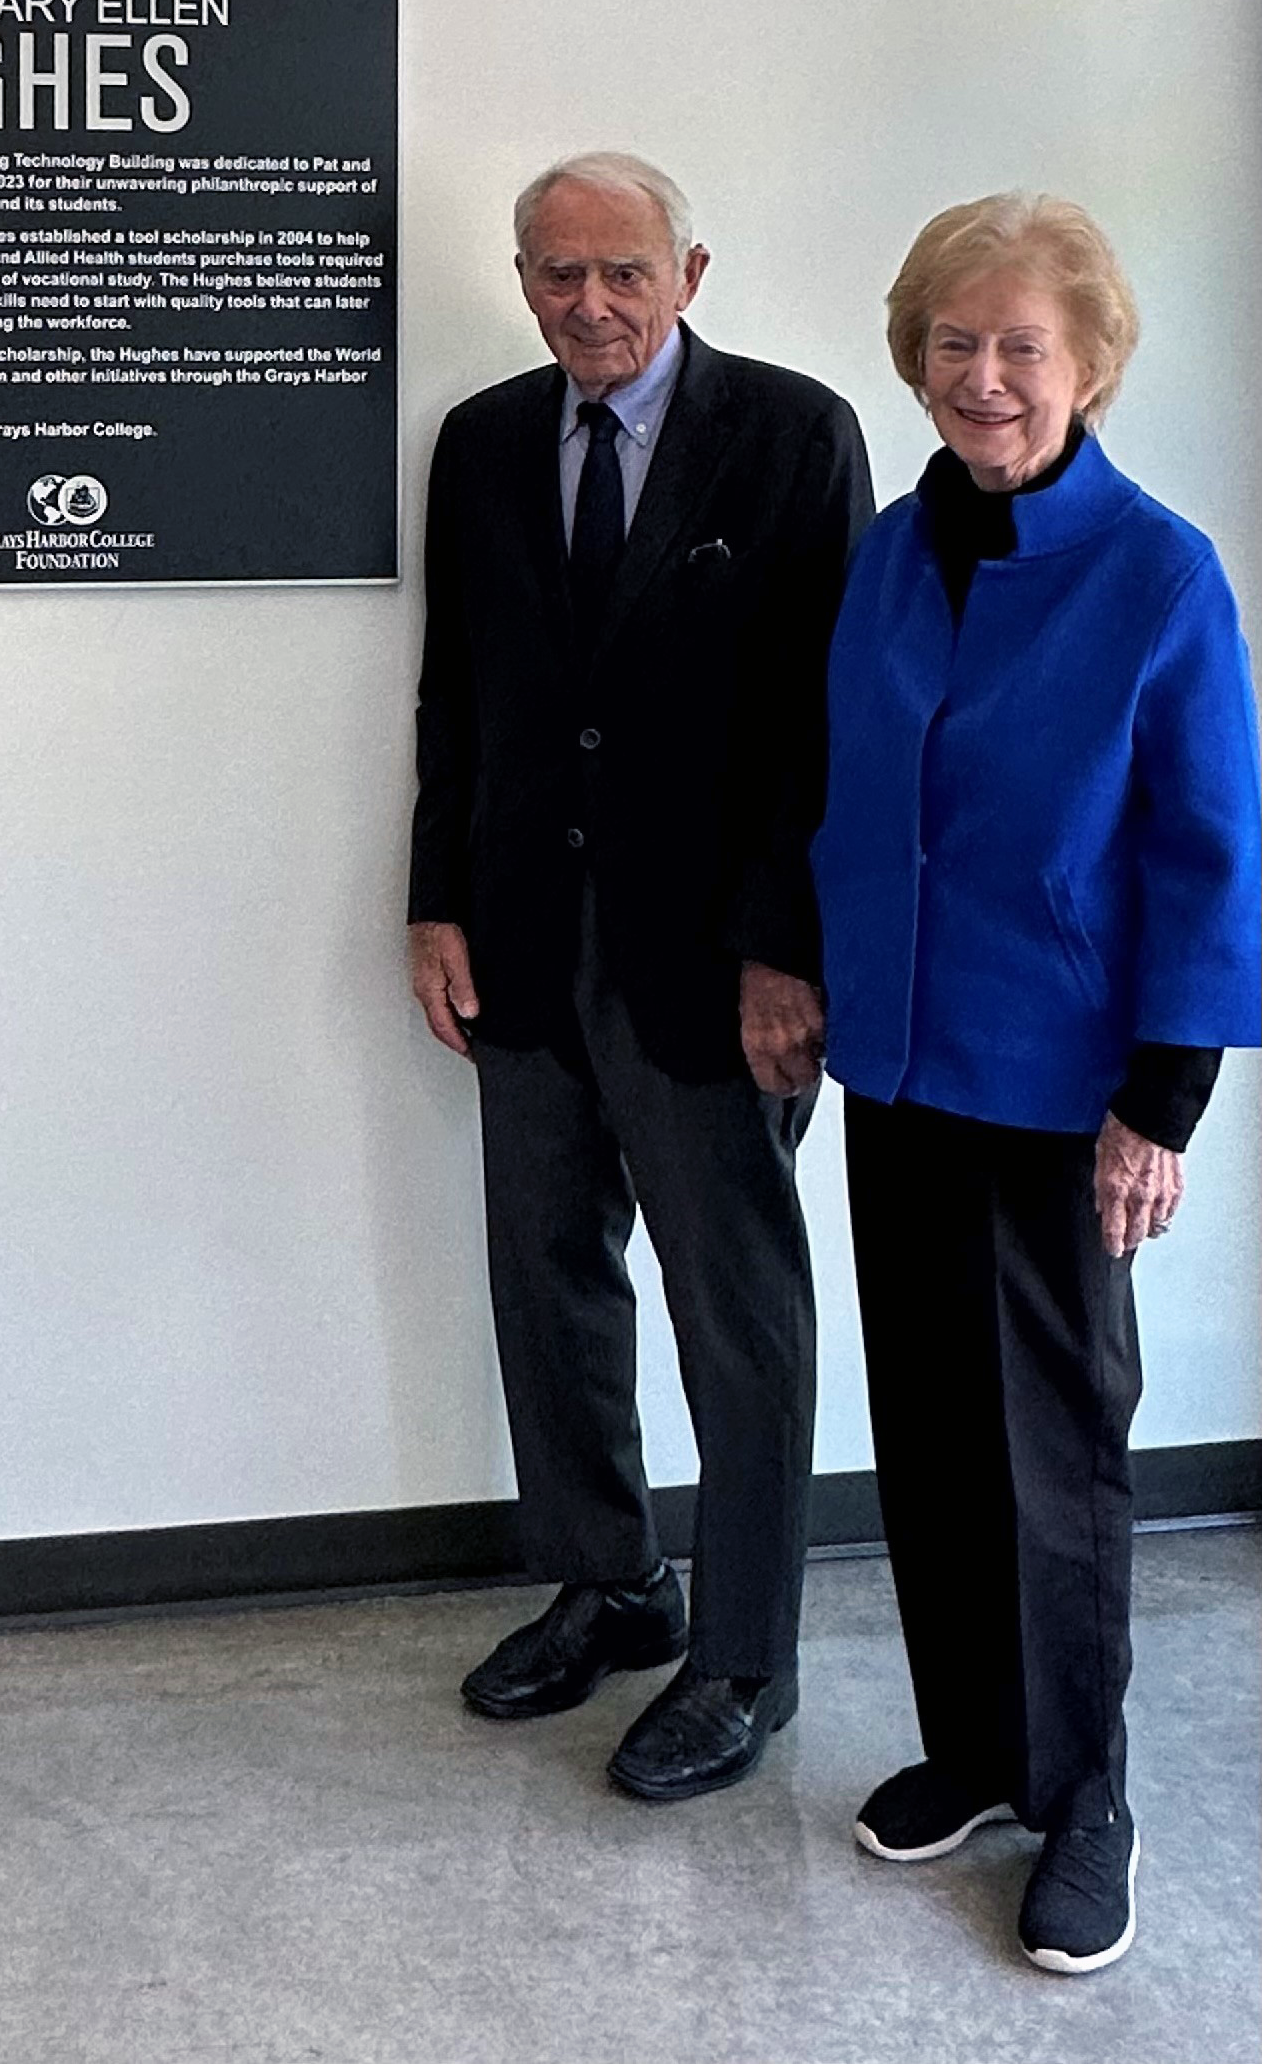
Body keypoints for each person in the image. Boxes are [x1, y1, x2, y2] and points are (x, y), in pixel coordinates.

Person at [816, 193, 1260, 1974]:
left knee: (1053, 1456)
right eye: (950, 342)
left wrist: (1161, 1102)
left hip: (1062, 1076)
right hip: (899, 1058)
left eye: (1017, 346)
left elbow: (1207, 851)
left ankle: (1087, 1798)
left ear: (1086, 364)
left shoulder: (1156, 573)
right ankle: (982, 1753)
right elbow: (837, 782)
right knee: (927, 1422)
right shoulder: (883, 550)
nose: (980, 376)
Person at [406, 151, 872, 1800]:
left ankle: (743, 1657)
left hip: (713, 966)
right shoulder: (475, 442)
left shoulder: (794, 433)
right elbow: (455, 692)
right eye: (553, 274)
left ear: (689, 270)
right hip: (526, 939)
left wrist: (782, 953)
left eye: (618, 272)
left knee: (735, 1312)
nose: (586, 304)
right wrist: (435, 902)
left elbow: (830, 724)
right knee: (546, 1278)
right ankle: (610, 1582)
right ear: (520, 277)